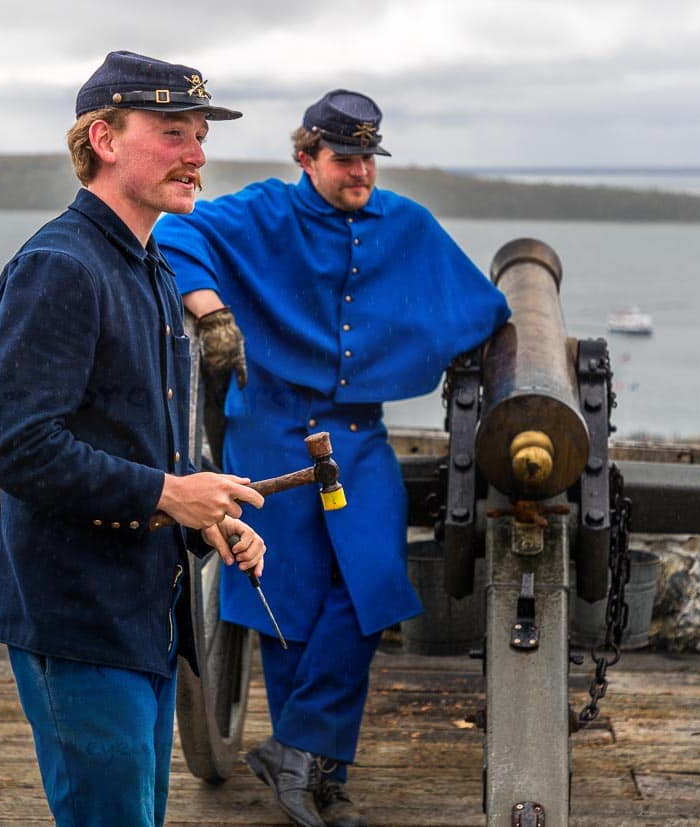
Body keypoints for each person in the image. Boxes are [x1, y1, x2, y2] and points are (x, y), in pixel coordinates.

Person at [156, 89, 511, 827]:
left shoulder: (405, 224)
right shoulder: (260, 213)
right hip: (271, 433)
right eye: (345, 158)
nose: (360, 174)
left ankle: (295, 749)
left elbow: (479, 306)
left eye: (368, 159)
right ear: (305, 157)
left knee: (372, 587)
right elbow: (172, 234)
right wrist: (211, 312)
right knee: (290, 602)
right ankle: (322, 779)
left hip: (356, 439)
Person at [0, 50, 267, 827]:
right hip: (76, 620)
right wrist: (172, 493)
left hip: (143, 613)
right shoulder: (59, 267)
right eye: (173, 132)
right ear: (104, 139)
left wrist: (204, 513)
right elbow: (17, 445)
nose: (197, 155)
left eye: (199, 135)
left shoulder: (154, 269)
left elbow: (141, 440)